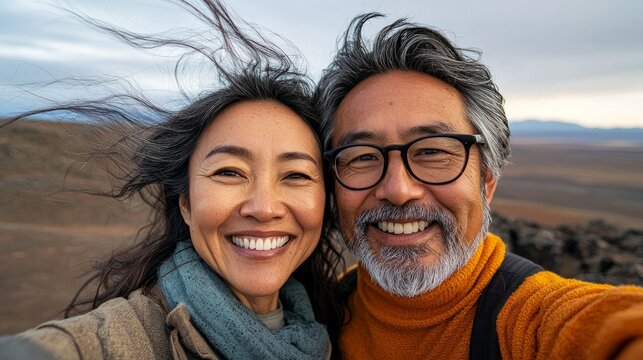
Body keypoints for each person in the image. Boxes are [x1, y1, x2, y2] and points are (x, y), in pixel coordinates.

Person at [0, 1, 344, 359]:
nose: (264, 207)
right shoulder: (116, 339)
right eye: (229, 172)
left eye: (296, 175)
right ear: (186, 204)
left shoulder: (334, 327)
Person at [316, 13, 643, 359]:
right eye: (363, 156)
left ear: (487, 180)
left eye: (432, 151)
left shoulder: (529, 320)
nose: (398, 190)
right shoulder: (322, 310)